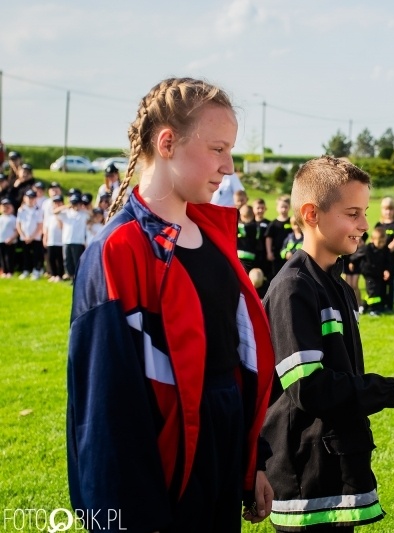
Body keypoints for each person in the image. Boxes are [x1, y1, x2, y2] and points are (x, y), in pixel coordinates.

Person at [66, 77, 276, 532]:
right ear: (166, 143)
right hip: (161, 472)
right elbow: (106, 413)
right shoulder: (118, 252)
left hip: (220, 453)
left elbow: (234, 363)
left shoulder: (215, 235)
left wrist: (252, 459)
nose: (229, 165)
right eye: (218, 149)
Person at [261, 156, 394, 532]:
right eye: (353, 213)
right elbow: (308, 388)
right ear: (312, 214)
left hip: (337, 466)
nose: (365, 225)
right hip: (308, 480)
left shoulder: (338, 286)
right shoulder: (294, 288)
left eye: (364, 212)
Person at [350, 227, 392, 316]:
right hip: (369, 274)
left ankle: (365, 306)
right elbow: (357, 255)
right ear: (373, 240)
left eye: (383, 242)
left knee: (377, 291)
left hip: (379, 274)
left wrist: (386, 270)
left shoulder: (385, 250)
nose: (382, 244)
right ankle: (373, 310)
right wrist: (352, 262)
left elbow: (388, 262)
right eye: (380, 242)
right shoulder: (367, 248)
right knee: (373, 291)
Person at [374, 197, 394, 311]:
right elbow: (374, 239)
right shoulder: (379, 225)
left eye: (390, 209)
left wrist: (385, 250)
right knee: (380, 282)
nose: (388, 212)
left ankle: (390, 304)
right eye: (385, 209)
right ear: (381, 210)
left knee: (391, 283)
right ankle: (380, 303)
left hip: (391, 261)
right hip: (379, 261)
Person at [55, 193, 89, 281]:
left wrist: (83, 208)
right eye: (74, 203)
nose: (76, 205)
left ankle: (77, 277)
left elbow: (92, 215)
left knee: (77, 261)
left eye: (77, 203)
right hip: (67, 240)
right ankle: (71, 276)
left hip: (78, 241)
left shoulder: (83, 214)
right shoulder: (67, 213)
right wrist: (67, 206)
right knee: (67, 260)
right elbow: (55, 211)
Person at [15, 189, 44, 280]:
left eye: (32, 198)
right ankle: (26, 270)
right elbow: (18, 224)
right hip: (24, 237)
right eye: (28, 198)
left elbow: (40, 225)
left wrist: (32, 236)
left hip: (35, 237)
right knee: (25, 254)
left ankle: (36, 270)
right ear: (25, 198)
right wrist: (23, 235)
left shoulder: (38, 210)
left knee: (36, 255)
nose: (30, 200)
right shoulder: (21, 209)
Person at [265, 194, 292, 279]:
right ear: (277, 208)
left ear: (289, 207)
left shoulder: (292, 222)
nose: (283, 209)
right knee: (276, 275)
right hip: (276, 254)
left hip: (288, 254)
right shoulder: (273, 224)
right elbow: (268, 238)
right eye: (281, 207)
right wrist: (269, 252)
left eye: (286, 207)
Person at [43, 194, 65, 282]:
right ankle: (53, 274)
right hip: (51, 240)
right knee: (50, 258)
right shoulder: (50, 216)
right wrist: (45, 237)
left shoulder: (64, 215)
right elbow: (46, 228)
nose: (57, 205)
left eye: (58, 203)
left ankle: (59, 275)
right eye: (55, 203)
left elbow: (62, 227)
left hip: (60, 241)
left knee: (59, 259)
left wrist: (58, 216)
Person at [237, 204, 259, 272]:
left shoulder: (242, 226)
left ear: (242, 216)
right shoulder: (257, 227)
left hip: (241, 254)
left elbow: (240, 229)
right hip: (252, 255)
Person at [0, 197, 18, 277]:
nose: (5, 209)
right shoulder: (1, 218)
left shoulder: (13, 218)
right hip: (1, 240)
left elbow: (16, 230)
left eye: (7, 207)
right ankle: (4, 271)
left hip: (10, 241)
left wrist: (11, 238)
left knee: (9, 257)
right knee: (2, 258)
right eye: (4, 207)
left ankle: (10, 271)